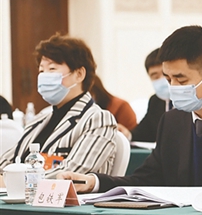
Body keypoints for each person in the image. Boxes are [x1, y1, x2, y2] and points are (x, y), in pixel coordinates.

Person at [59, 25, 202, 193]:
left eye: (181, 80)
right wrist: (95, 182)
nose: (173, 88)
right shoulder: (171, 121)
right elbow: (146, 179)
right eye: (168, 79)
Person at [0, 34, 117, 177]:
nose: (44, 76)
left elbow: (72, 172)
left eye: (52, 69)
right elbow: (6, 162)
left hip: (60, 192)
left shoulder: (98, 119)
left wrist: (14, 181)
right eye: (41, 71)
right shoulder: (40, 119)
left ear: (79, 74)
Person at [118, 49, 171, 142]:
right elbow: (145, 131)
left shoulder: (189, 100)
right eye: (155, 76)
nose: (162, 79)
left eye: (165, 74)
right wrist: (128, 134)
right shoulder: (155, 101)